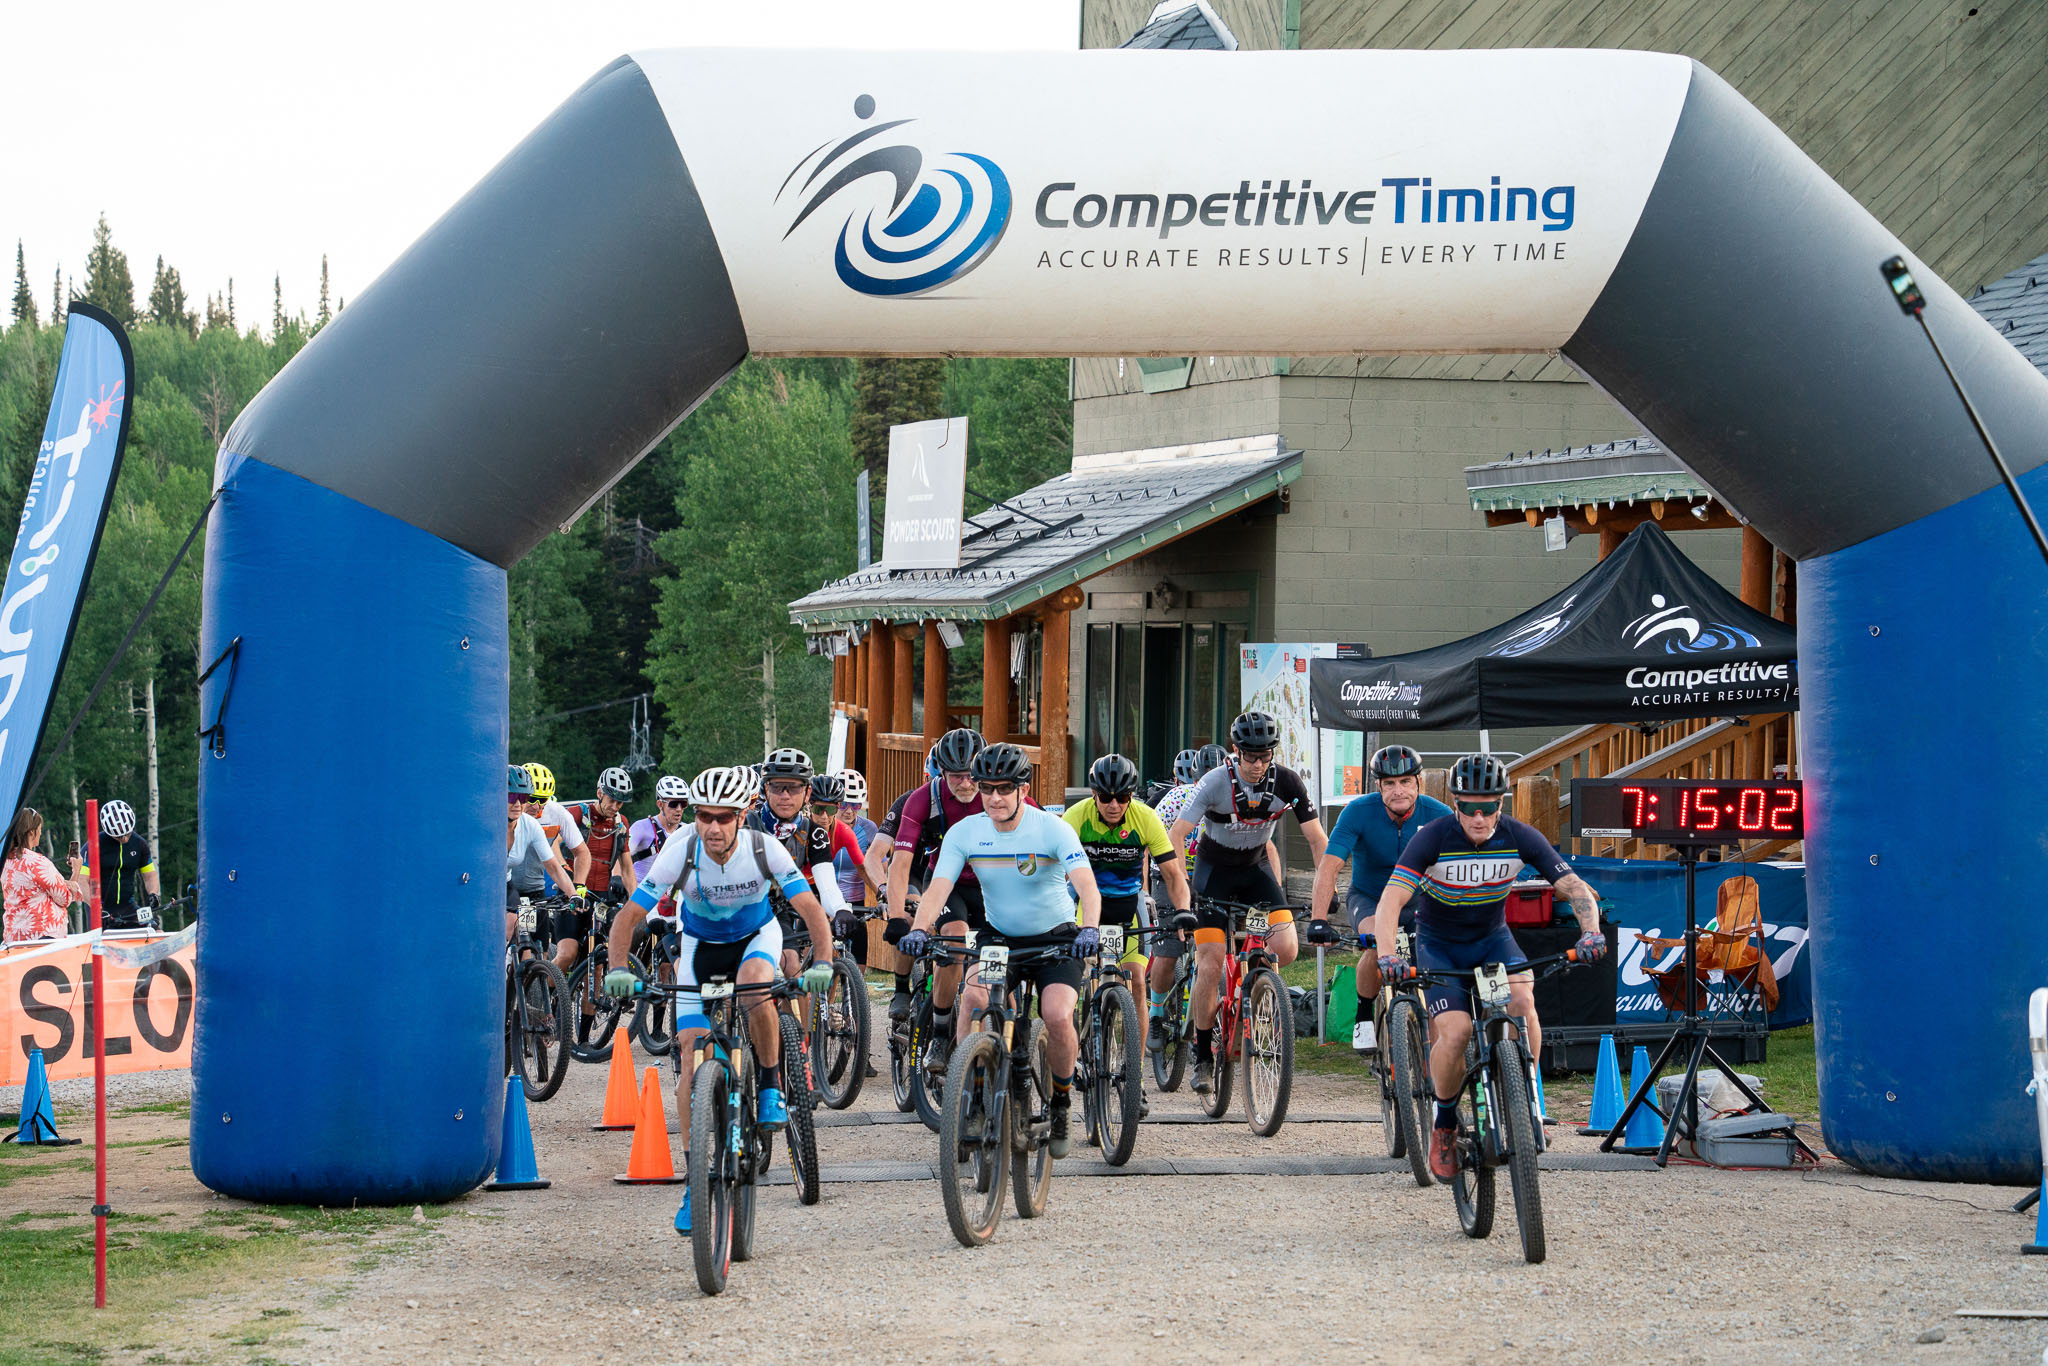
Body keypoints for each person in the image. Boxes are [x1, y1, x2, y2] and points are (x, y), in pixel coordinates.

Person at [601, 765, 833, 1236]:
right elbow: (629, 916)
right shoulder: (681, 847)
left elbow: (810, 910)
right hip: (700, 947)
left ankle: (769, 1086)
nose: (712, 827)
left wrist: (823, 963)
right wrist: (618, 968)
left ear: (742, 815)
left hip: (755, 938)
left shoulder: (764, 849)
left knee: (755, 986)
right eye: (704, 815)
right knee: (690, 1055)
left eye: (724, 817)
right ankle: (696, 1181)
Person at [1369, 753, 1607, 1181]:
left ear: (1501, 803)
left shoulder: (1521, 835)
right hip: (1440, 946)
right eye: (1468, 808)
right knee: (1456, 1031)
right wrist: (1388, 955)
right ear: (1455, 804)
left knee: (1523, 1003)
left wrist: (1591, 932)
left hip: (1493, 941)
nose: (1478, 818)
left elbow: (1574, 886)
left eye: (1489, 808)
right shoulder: (1431, 838)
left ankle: (1527, 1101)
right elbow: (1390, 902)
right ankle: (1444, 1122)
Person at [898, 743, 1102, 1159]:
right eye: (987, 787)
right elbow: (938, 889)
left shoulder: (1052, 829)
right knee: (973, 998)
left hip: (1056, 939)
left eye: (1004, 788)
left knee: (1057, 1014)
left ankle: (1061, 1103)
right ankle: (973, 1098)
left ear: (1023, 789)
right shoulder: (965, 832)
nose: (994, 797)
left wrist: (1090, 928)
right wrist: (918, 929)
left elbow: (1087, 887)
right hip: (1000, 938)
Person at [1165, 712, 1328, 1095]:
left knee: (1285, 947)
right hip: (1213, 874)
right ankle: (1203, 1057)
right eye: (1250, 756)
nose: (1257, 764)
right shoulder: (1214, 782)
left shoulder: (1287, 782)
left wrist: (1327, 890)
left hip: (1255, 872)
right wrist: (1184, 889)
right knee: (1210, 962)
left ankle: (1254, 995)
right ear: (1236, 751)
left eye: (1264, 756)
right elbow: (1175, 835)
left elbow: (1318, 840)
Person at [1305, 744, 1454, 1053]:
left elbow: (1457, 869)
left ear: (1418, 782)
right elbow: (1330, 865)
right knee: (1376, 942)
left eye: (1405, 782)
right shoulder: (1358, 811)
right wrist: (1318, 919)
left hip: (1419, 900)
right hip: (1369, 897)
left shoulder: (1439, 815)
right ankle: (1364, 1015)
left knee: (1433, 954)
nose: (1398, 790)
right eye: (1389, 783)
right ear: (1378, 786)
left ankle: (1434, 1038)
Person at [1063, 753, 1191, 1064]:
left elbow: (1173, 874)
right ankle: (1073, 1047)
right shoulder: (1076, 817)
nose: (1114, 805)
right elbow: (1054, 872)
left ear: (1131, 795)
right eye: (1106, 797)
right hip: (1085, 903)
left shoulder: (1145, 818)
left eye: (1122, 798)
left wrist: (1183, 910)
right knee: (1073, 979)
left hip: (1127, 904)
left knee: (1136, 981)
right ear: (1094, 794)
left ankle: (1135, 1073)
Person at [866, 744, 938, 1021]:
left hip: (946, 876)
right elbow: (874, 856)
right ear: (926, 778)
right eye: (935, 782)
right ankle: (901, 989)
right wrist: (885, 891)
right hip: (911, 874)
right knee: (910, 916)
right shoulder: (909, 802)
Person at [506, 766, 577, 945]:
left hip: (507, 885)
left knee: (530, 944)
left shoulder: (530, 825)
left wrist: (573, 895)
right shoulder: (488, 822)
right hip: (487, 885)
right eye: (512, 797)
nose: (518, 804)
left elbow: (552, 866)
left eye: (523, 798)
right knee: (509, 928)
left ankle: (527, 961)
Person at [3, 807, 91, 944]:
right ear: (31, 833)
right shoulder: (38, 863)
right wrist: (76, 871)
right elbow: (65, 898)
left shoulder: (5, 860)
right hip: (42, 938)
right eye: (40, 829)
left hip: (14, 938)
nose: (41, 833)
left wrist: (64, 883)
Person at [561, 766, 638, 906]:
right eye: (611, 800)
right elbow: (553, 842)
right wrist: (563, 868)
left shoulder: (621, 824)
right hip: (572, 889)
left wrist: (634, 903)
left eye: (619, 803)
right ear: (599, 793)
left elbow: (627, 868)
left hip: (602, 895)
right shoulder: (577, 814)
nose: (615, 807)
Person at [95, 800, 160, 931]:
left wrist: (153, 894)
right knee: (105, 938)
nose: (124, 839)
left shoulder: (139, 844)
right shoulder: (95, 844)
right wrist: (96, 908)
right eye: (119, 837)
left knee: (154, 928)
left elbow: (150, 876)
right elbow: (83, 880)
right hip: (101, 907)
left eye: (128, 834)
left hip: (128, 905)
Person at [630, 775, 692, 882]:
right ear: (660, 804)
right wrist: (617, 878)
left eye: (683, 804)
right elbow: (621, 856)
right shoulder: (641, 828)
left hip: (671, 891)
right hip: (640, 889)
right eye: (673, 804)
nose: (679, 809)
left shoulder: (687, 831)